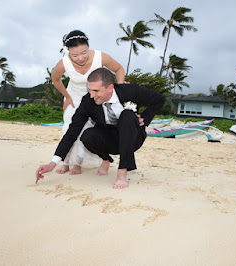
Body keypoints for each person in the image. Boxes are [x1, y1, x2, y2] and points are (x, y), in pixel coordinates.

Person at [36, 68, 164, 189]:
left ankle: (122, 173)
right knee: (87, 135)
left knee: (127, 115)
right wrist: (53, 163)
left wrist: (145, 118)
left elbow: (159, 99)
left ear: (110, 88)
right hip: (110, 140)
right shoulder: (88, 101)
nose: (92, 95)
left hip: (133, 138)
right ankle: (106, 159)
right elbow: (72, 131)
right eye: (90, 90)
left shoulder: (130, 90)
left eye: (96, 91)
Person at [51, 30, 125, 176]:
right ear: (68, 52)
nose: (80, 58)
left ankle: (78, 163)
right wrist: (67, 97)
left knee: (86, 129)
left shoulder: (100, 57)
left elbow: (118, 69)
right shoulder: (64, 63)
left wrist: (118, 88)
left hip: (94, 98)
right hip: (73, 96)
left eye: (84, 52)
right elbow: (55, 79)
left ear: (88, 47)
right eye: (75, 55)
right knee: (69, 129)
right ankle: (65, 162)